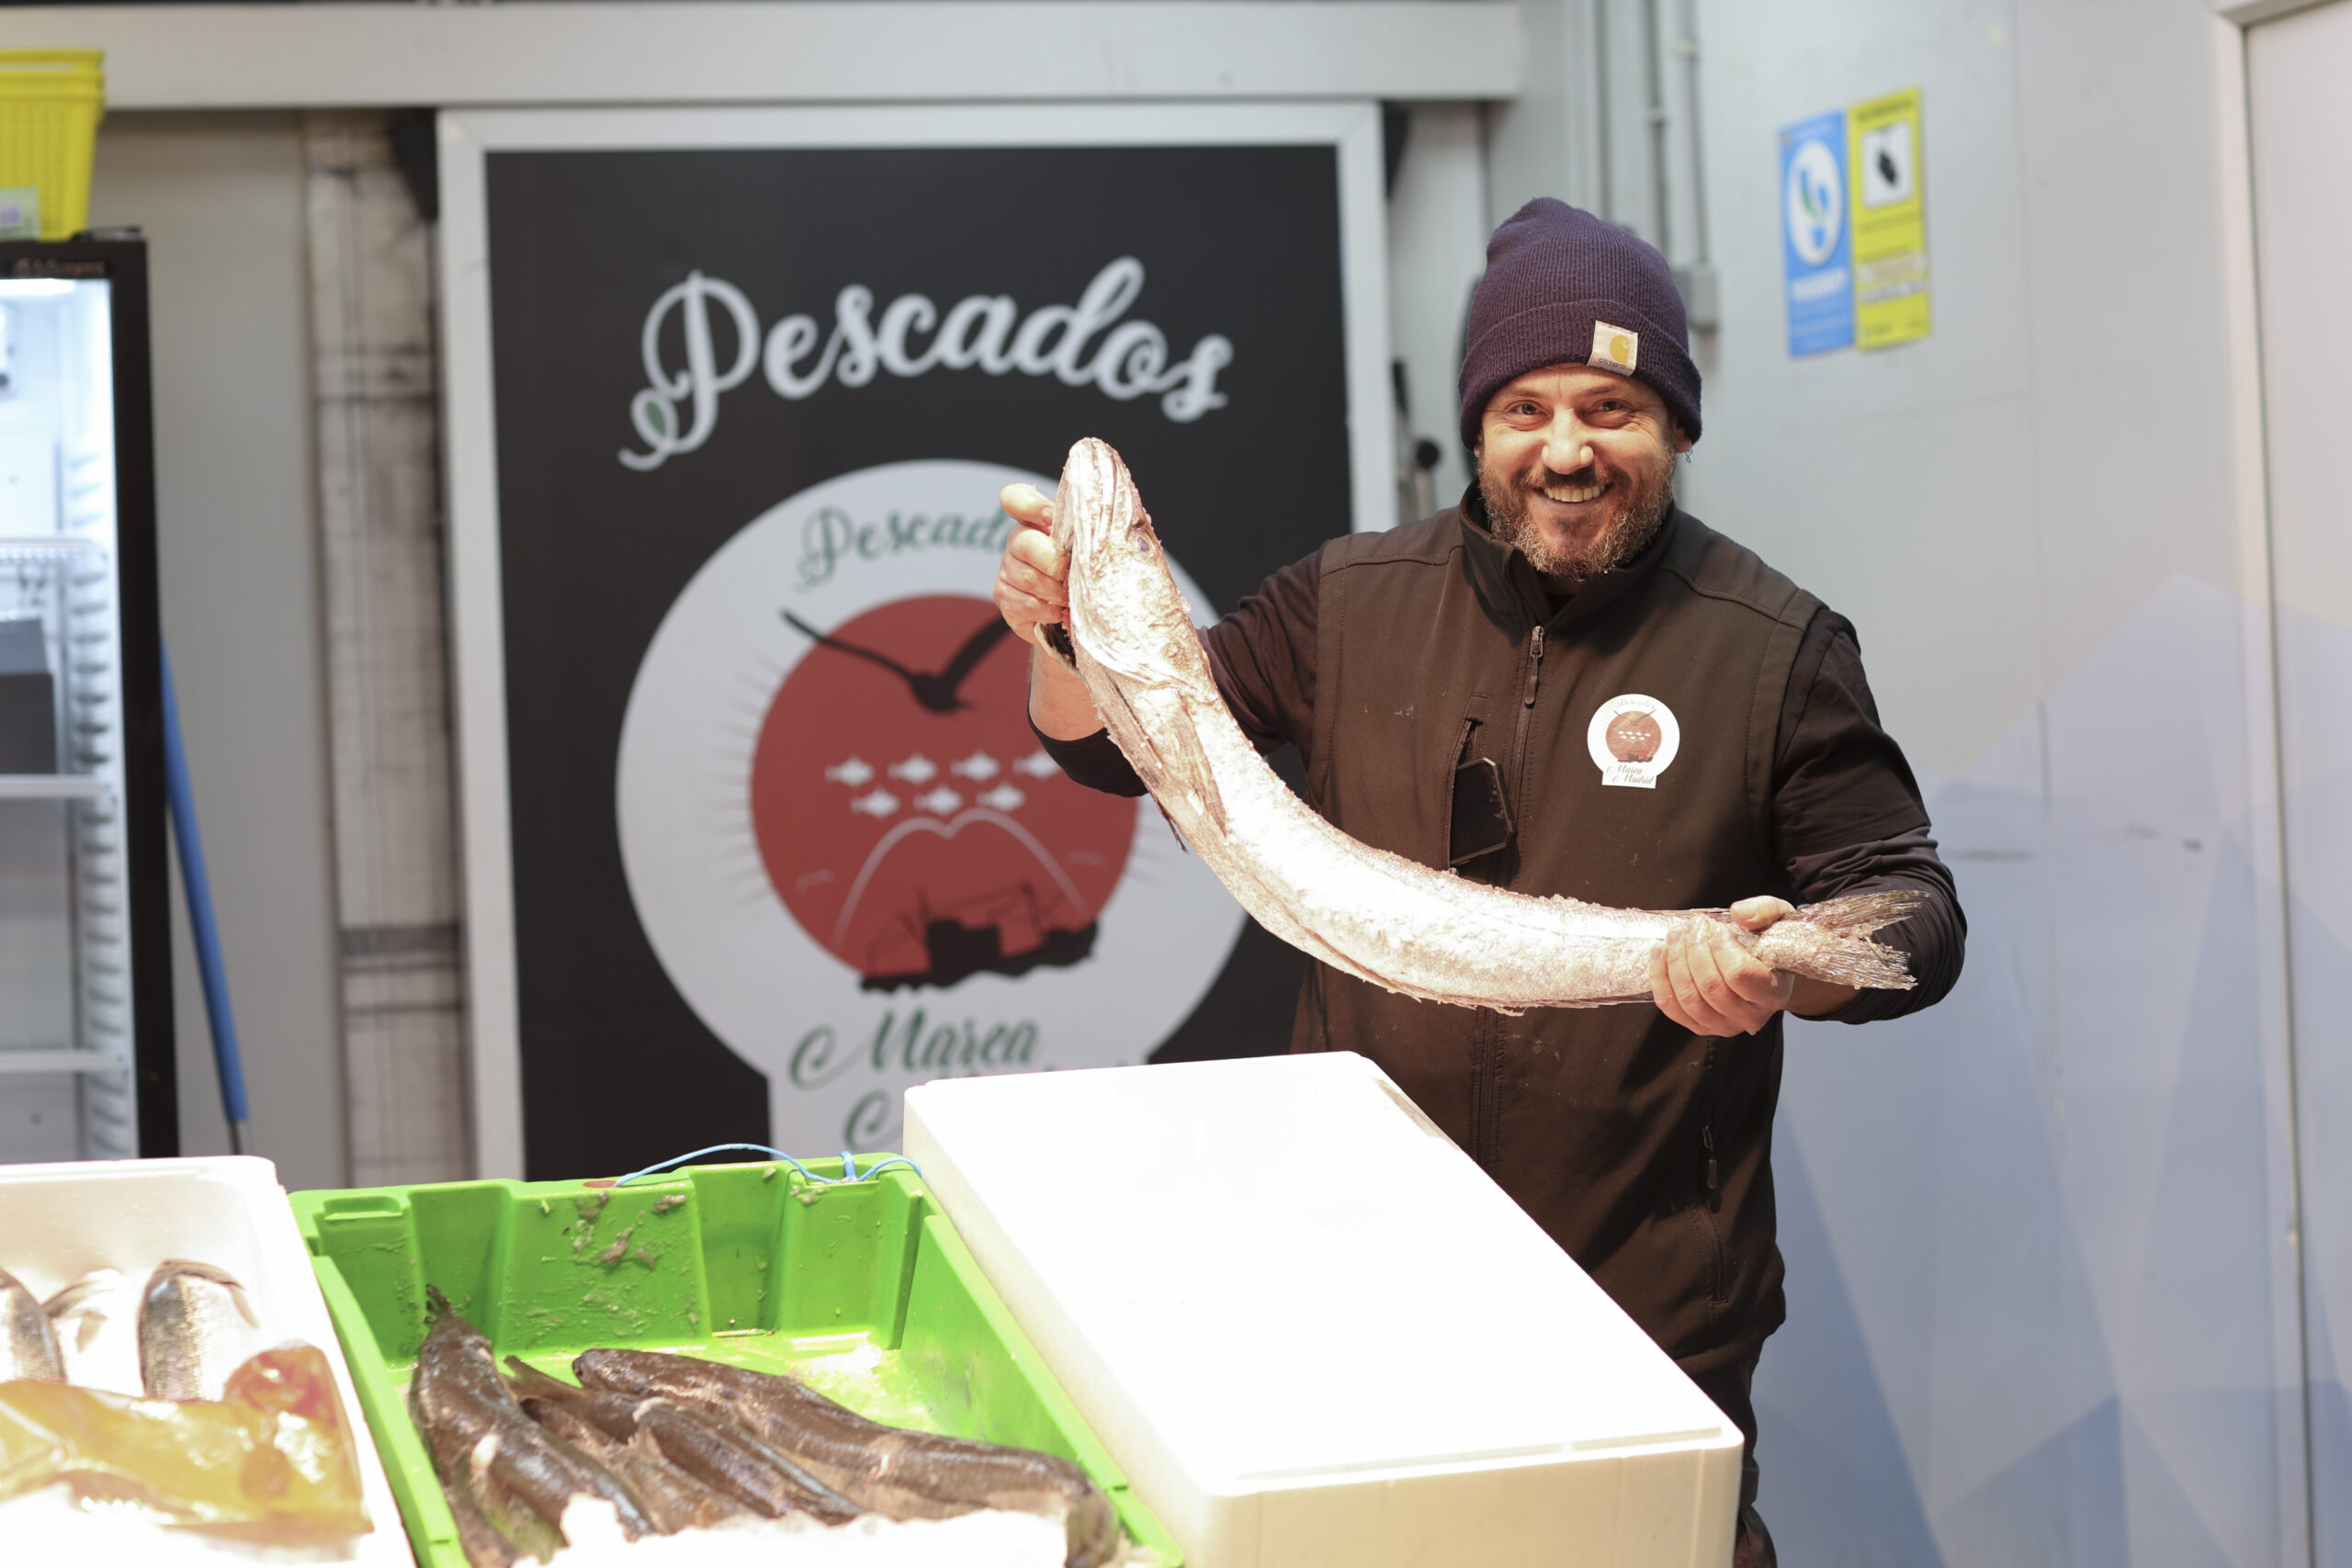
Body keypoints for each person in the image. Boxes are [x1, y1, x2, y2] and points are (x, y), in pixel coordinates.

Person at [992, 198, 1963, 1565]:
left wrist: (1792, 965)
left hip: (1649, 1310)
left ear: (1678, 428)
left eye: (1612, 409)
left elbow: (1914, 911)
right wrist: (1061, 635)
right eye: (1526, 410)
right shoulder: (1344, 601)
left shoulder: (1775, 646)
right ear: (1480, 427)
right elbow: (1120, 748)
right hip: (1366, 1283)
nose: (1566, 451)